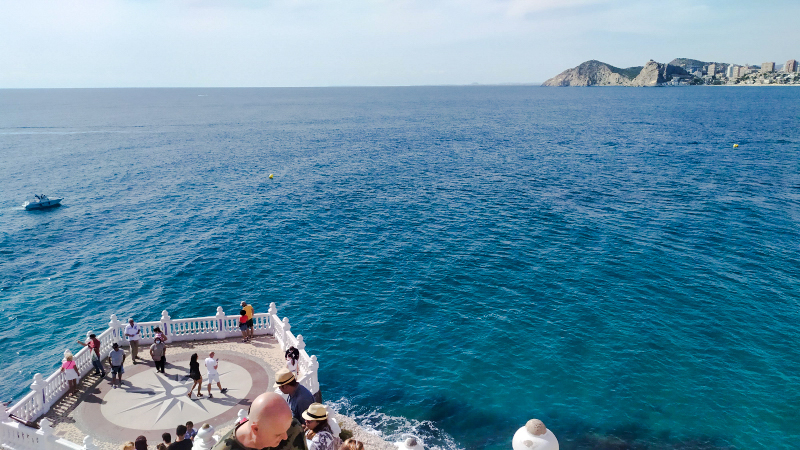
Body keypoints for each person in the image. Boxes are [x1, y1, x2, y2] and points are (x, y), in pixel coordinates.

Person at [211, 392, 305, 450]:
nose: (285, 437)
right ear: (255, 429)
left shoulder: (293, 428)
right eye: (278, 434)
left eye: (286, 428)